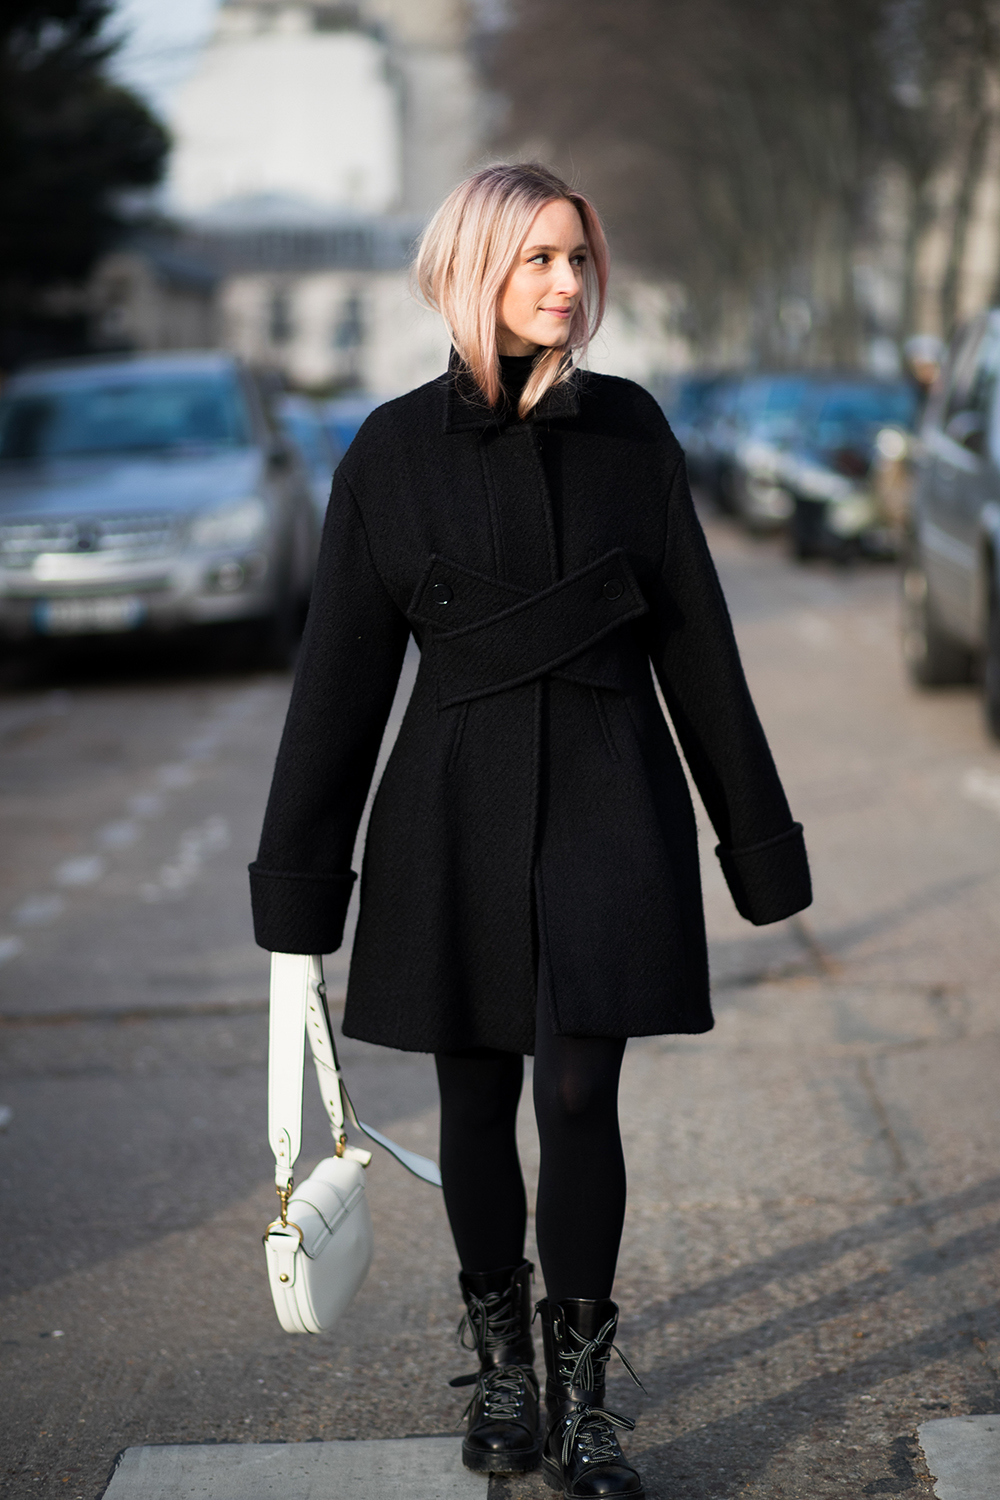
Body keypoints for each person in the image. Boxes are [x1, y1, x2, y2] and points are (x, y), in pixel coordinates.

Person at [249, 162, 812, 1500]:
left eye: (577, 260)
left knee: (580, 1088)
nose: (567, 284)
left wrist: (757, 842)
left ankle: (586, 1402)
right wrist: (298, 910)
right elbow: (337, 687)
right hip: (451, 803)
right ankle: (503, 1369)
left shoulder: (632, 432)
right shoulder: (388, 451)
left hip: (615, 791)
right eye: (538, 260)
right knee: (475, 1093)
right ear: (472, 272)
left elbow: (698, 649)